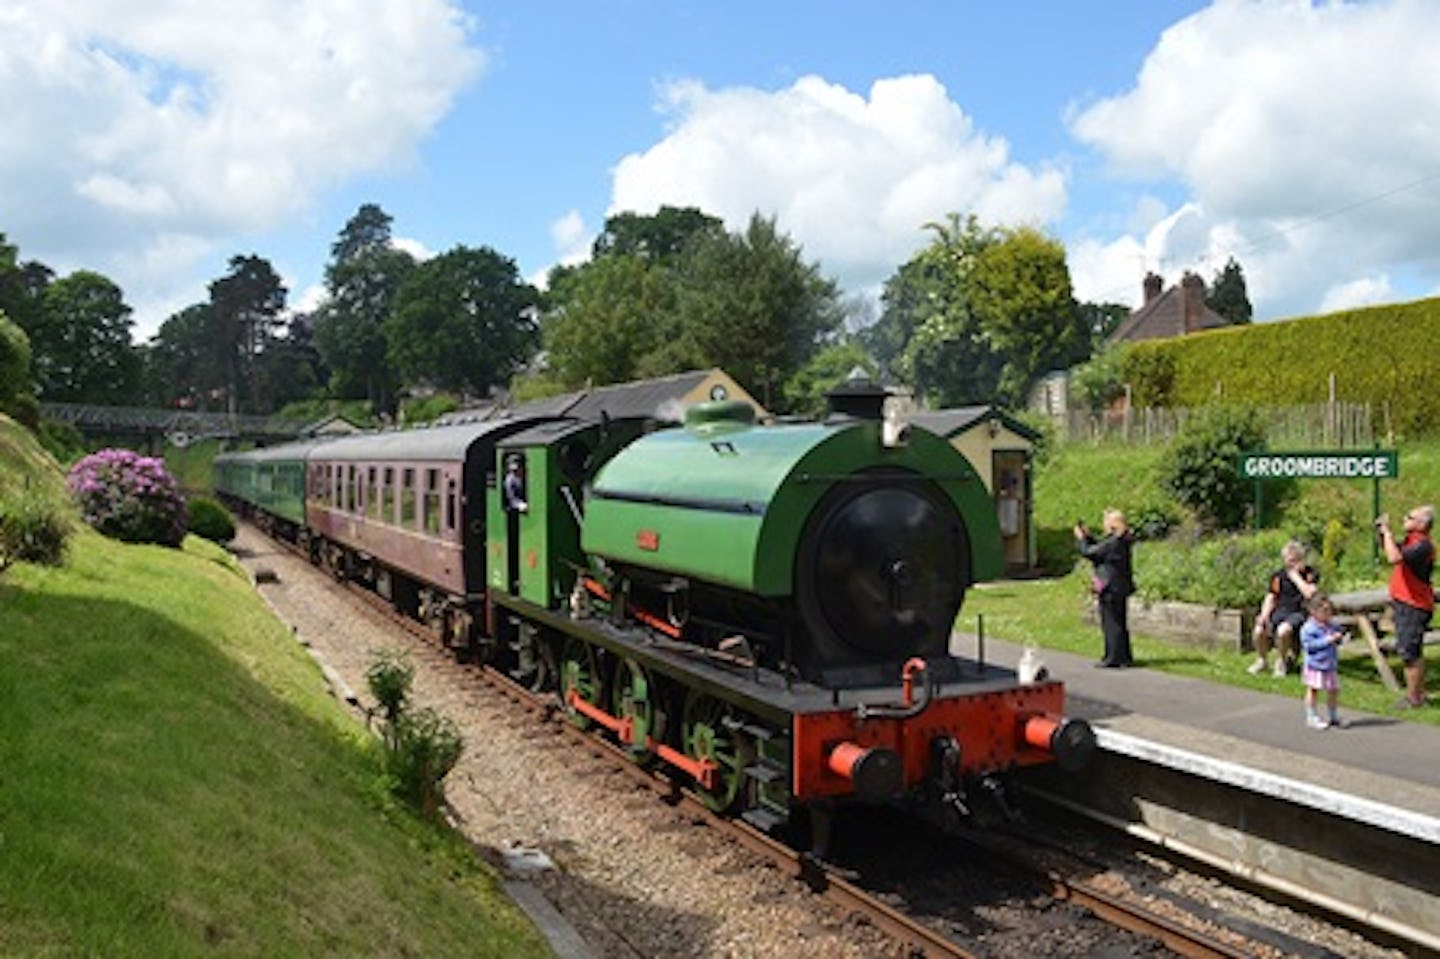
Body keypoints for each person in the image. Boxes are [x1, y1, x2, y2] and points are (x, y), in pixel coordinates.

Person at [1377, 504, 1434, 709]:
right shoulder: (1412, 541)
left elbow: (1394, 558)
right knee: (1411, 650)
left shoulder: (1422, 545)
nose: (1405, 519)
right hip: (1405, 601)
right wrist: (1382, 533)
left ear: (1421, 524)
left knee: (1410, 652)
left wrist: (1388, 534)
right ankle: (1418, 693)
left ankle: (1413, 698)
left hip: (1414, 604)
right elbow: (1389, 549)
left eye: (1409, 517)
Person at [1247, 541, 1319, 677]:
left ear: (1301, 559)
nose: (1291, 564)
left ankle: (1281, 662)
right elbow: (1271, 597)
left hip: (1299, 612)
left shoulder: (1310, 573)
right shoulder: (1278, 576)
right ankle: (1262, 660)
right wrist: (1264, 615)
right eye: (1288, 560)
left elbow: (1310, 593)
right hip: (1280, 611)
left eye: (1295, 560)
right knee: (1258, 630)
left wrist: (1296, 577)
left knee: (1283, 630)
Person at [1074, 508, 1135, 668]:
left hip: (1110, 586)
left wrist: (1081, 540)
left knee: (1111, 623)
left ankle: (1113, 657)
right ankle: (1124, 656)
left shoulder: (1114, 542)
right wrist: (1088, 537)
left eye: (1106, 522)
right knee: (1120, 622)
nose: (1104, 525)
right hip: (1120, 586)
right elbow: (1100, 548)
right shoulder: (1121, 540)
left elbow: (1090, 552)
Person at [1299, 594, 1346, 730]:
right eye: (1324, 611)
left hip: (1330, 664)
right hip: (1315, 665)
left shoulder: (1330, 626)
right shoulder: (1309, 628)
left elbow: (1337, 636)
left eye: (1329, 611)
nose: (1328, 614)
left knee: (1333, 690)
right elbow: (1309, 646)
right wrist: (1328, 640)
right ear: (1313, 612)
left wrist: (1339, 637)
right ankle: (1311, 716)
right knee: (1313, 690)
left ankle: (1333, 715)